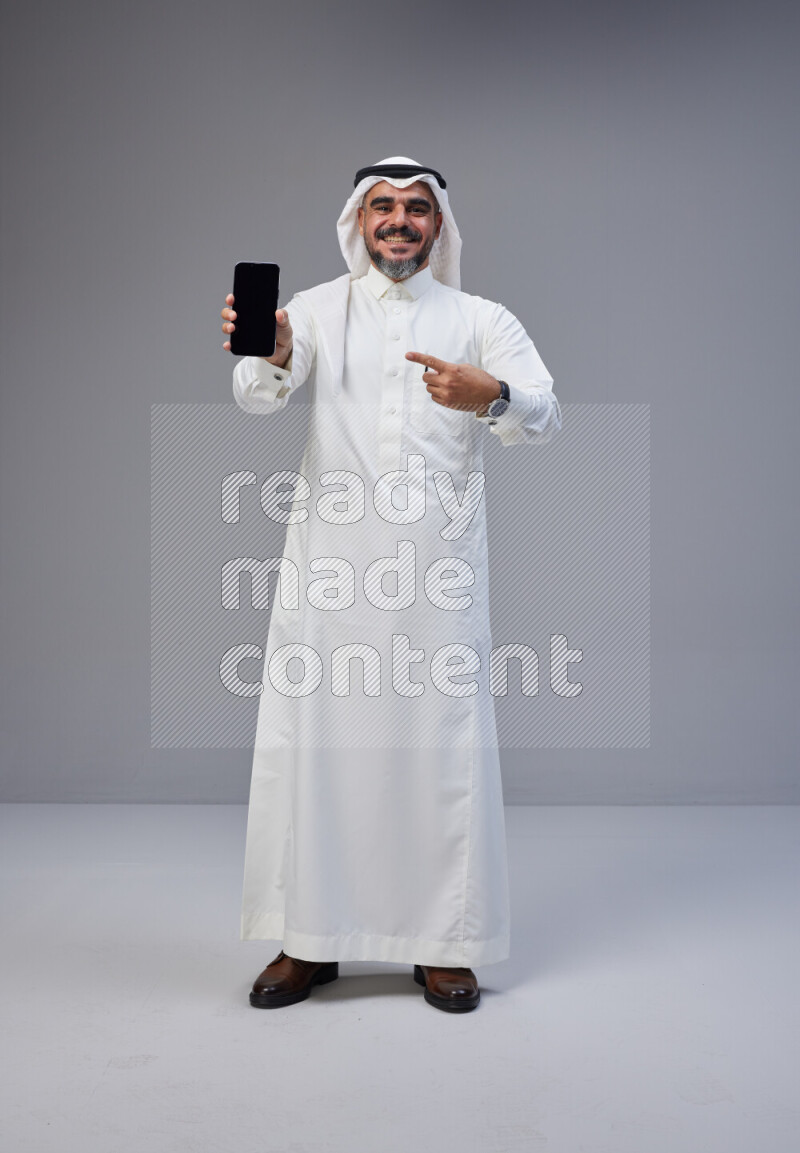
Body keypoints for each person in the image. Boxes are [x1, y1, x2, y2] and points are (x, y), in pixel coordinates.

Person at [220, 156, 561, 1013]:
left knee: (437, 754)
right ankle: (309, 940)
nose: (400, 221)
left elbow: (547, 413)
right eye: (383, 207)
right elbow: (258, 396)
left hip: (436, 581)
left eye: (416, 209)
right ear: (358, 221)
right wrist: (273, 348)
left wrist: (495, 394)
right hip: (331, 577)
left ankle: (444, 944)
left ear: (439, 226)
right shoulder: (315, 309)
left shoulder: (480, 318)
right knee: (320, 751)